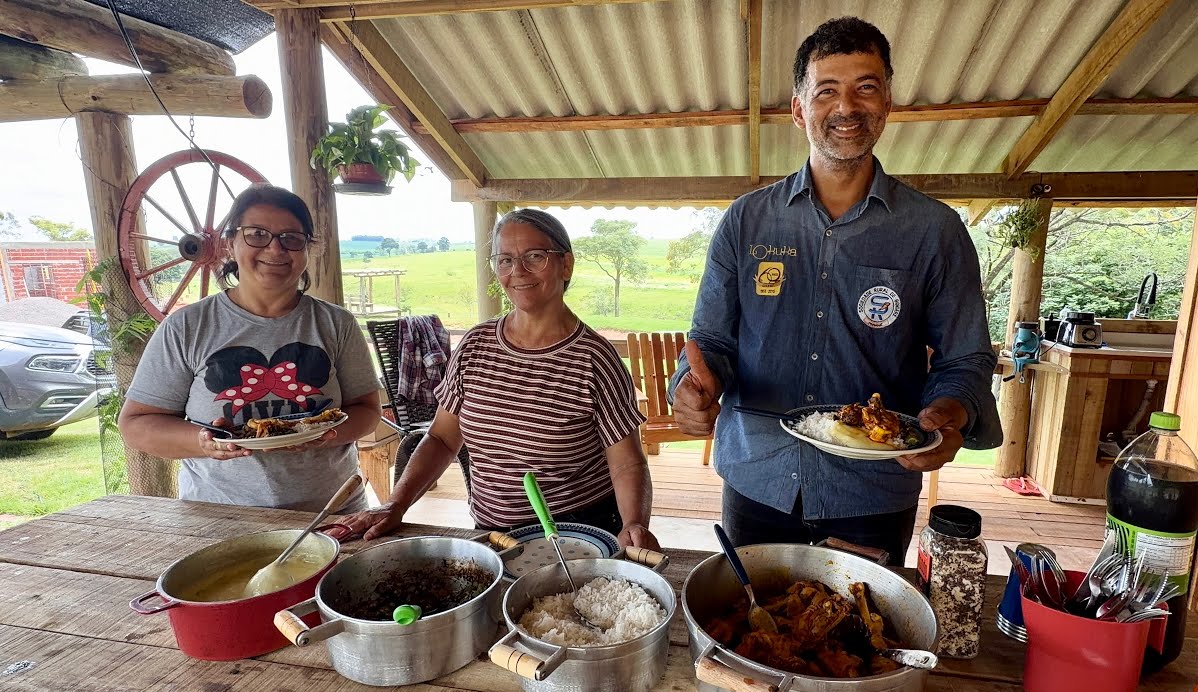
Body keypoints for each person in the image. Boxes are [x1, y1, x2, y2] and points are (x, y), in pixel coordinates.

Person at [669, 16, 1000, 565]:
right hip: (757, 478)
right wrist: (692, 388)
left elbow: (964, 359)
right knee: (750, 627)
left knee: (863, 638)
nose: (847, 107)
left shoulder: (933, 231)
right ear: (799, 109)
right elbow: (712, 341)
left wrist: (949, 414)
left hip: (872, 489)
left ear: (888, 102)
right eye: (827, 91)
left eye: (865, 87)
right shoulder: (747, 222)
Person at [341, 209, 661, 551]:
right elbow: (442, 439)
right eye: (505, 259)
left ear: (565, 265)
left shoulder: (594, 358)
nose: (517, 271)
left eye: (535, 256)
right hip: (493, 536)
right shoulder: (475, 345)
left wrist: (634, 524)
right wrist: (397, 503)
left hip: (579, 535)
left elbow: (627, 460)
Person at [119, 184, 382, 513]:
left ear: (306, 249)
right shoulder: (186, 327)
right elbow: (137, 424)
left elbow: (368, 411)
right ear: (230, 243)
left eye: (291, 238)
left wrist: (328, 433)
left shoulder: (336, 324)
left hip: (331, 514)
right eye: (257, 234)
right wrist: (203, 443)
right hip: (220, 516)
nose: (275, 249)